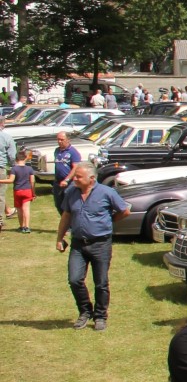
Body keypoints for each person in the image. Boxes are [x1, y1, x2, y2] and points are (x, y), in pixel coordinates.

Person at [56, 163, 129, 330]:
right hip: (78, 244)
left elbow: (124, 211)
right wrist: (59, 238)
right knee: (74, 280)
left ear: (91, 179)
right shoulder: (71, 193)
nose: (74, 179)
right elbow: (66, 215)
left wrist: (108, 222)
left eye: (78, 176)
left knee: (101, 283)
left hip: (100, 244)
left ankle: (100, 316)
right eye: (75, 176)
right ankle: (85, 311)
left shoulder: (107, 192)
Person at [52, 131, 81, 214]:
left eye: (62, 139)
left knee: (68, 206)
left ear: (68, 140)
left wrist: (67, 180)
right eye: (58, 139)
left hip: (69, 183)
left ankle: (71, 225)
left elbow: (75, 168)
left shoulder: (73, 152)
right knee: (58, 204)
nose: (59, 141)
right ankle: (65, 224)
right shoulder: (57, 151)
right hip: (58, 182)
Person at [11, 155, 35, 232]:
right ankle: (27, 227)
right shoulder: (29, 169)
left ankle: (21, 226)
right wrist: (33, 192)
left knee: (19, 209)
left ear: (16, 159)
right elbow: (32, 181)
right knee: (26, 209)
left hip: (18, 190)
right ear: (25, 159)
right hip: (27, 190)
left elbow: (11, 180)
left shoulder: (14, 169)